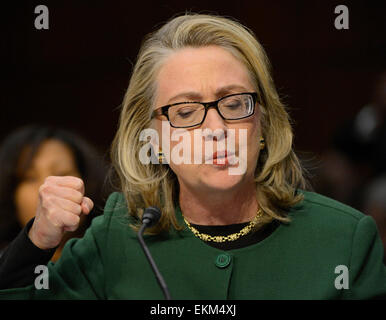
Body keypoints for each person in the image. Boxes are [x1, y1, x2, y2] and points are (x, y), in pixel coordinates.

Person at [0, 13, 385, 299]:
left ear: (264, 125)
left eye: (234, 104)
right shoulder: (115, 239)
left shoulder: (345, 240)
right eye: (186, 112)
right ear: (153, 137)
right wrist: (37, 241)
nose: (216, 128)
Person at [0, 125, 109, 261]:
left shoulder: (113, 255)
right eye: (30, 177)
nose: (47, 188)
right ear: (11, 193)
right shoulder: (6, 271)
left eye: (62, 173)